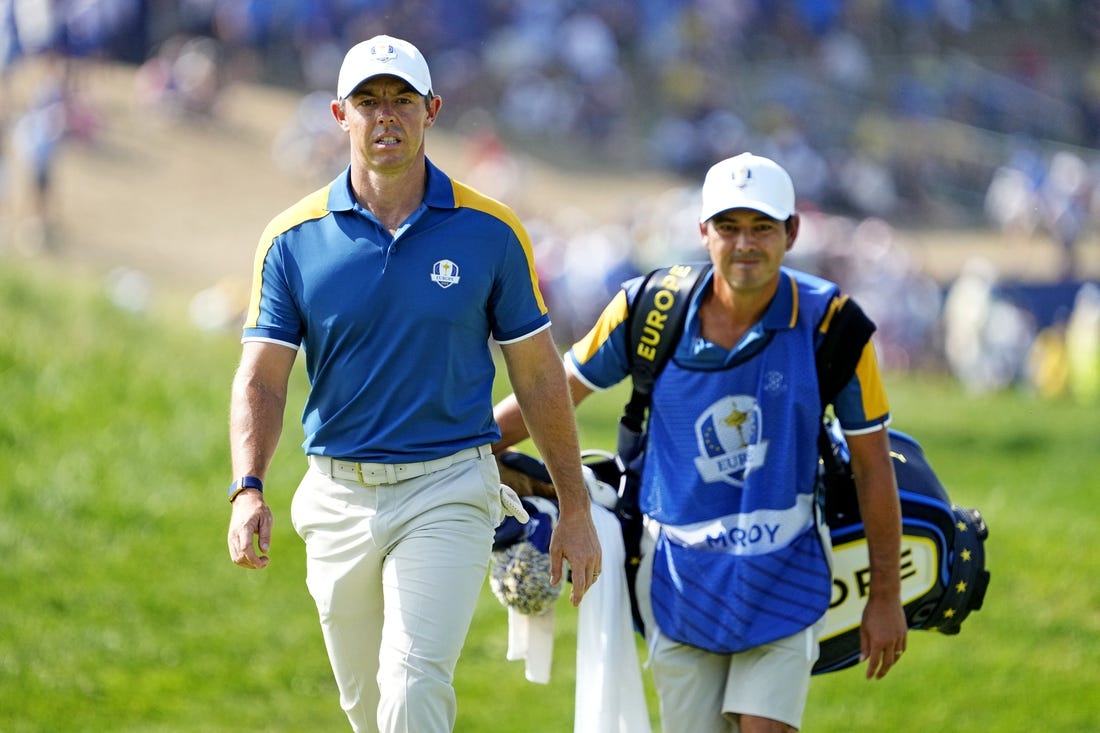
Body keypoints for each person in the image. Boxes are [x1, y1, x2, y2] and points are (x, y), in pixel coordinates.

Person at [225, 34, 601, 733]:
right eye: (369, 101)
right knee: (366, 708)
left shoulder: (491, 231)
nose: (386, 116)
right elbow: (263, 378)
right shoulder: (291, 237)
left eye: (402, 100)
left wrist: (574, 506)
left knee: (413, 680)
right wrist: (249, 487)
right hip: (336, 494)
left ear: (432, 109)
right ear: (341, 115)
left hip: (448, 487)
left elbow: (540, 374)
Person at [493, 152, 908, 732]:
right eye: (729, 227)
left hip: (784, 573)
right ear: (703, 233)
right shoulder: (649, 308)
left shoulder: (833, 325)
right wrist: (471, 446)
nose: (745, 245)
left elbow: (872, 467)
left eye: (762, 227)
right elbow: (552, 392)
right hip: (677, 579)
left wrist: (885, 596)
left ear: (792, 231)